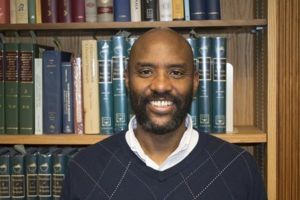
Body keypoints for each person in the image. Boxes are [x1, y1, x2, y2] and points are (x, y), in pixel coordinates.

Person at [61, 28, 267, 200]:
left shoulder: (239, 168)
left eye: (176, 72)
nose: (161, 85)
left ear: (195, 82)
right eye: (146, 72)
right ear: (126, 79)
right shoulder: (85, 168)